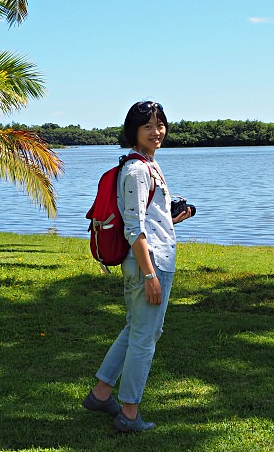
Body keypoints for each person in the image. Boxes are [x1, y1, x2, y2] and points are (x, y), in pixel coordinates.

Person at [82, 100, 192, 433]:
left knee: (138, 330)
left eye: (160, 124)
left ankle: (102, 393)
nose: (156, 132)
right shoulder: (137, 170)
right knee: (145, 338)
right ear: (134, 131)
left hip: (153, 258)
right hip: (149, 263)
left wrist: (174, 218)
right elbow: (134, 228)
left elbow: (148, 220)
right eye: (148, 126)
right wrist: (149, 276)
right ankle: (129, 413)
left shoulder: (147, 164)